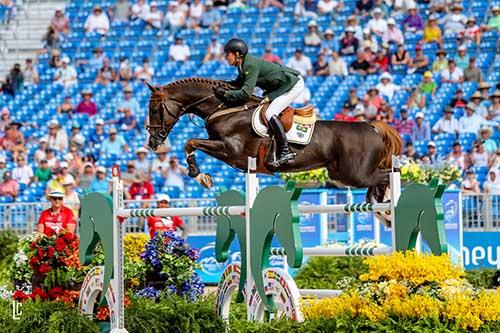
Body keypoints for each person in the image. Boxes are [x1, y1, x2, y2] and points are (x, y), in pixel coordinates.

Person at [214, 39, 304, 165]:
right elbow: (238, 83)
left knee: (270, 113)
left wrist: (225, 93)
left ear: (237, 54)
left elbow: (245, 93)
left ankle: (285, 150)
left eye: (227, 54)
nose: (225, 57)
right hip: (279, 86)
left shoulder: (249, 65)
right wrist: (222, 85)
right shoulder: (243, 65)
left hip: (292, 84)